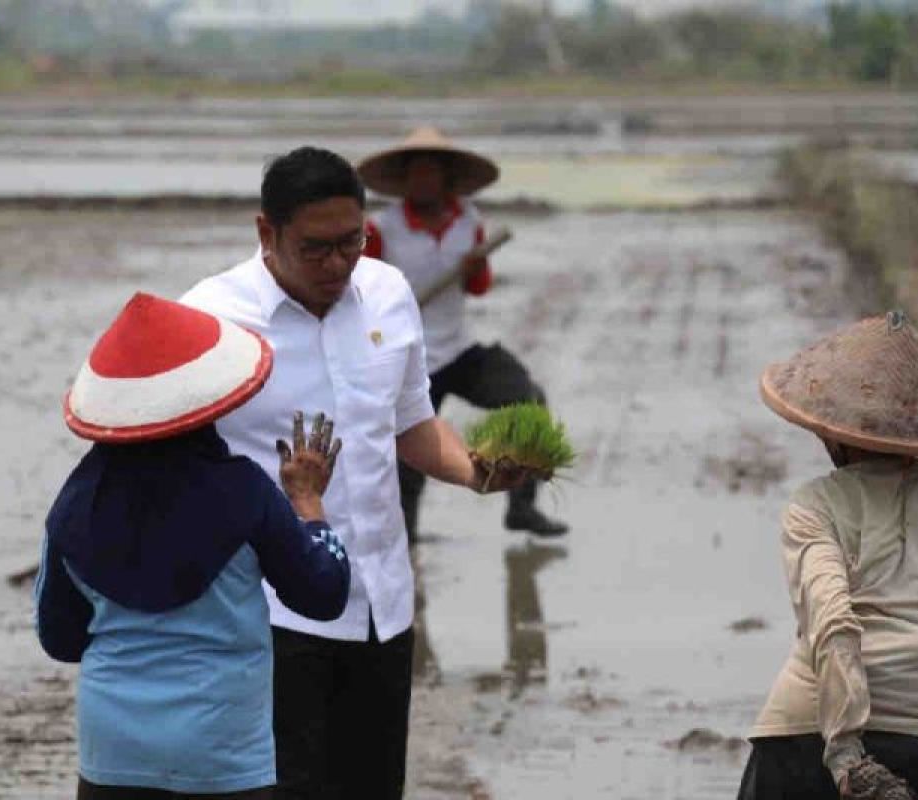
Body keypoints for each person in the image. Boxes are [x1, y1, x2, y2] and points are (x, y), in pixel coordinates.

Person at [181, 146, 531, 800]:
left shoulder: (387, 293)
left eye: (352, 242)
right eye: (316, 249)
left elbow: (412, 423)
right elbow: (171, 467)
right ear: (267, 232)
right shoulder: (212, 320)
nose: (339, 264)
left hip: (382, 606)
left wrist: (474, 471)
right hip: (270, 618)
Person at [35, 291, 351, 799]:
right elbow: (324, 593)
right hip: (222, 754)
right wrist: (309, 504)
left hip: (113, 756)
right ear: (205, 407)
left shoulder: (72, 507)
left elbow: (59, 639)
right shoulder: (245, 492)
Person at [738, 310, 918, 800]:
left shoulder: (815, 503)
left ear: (833, 435)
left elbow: (833, 622)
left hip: (804, 736)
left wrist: (848, 758)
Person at [357, 126, 569, 540]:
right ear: (403, 181)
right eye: (415, 173)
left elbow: (477, 287)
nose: (423, 181)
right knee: (408, 459)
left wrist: (475, 268)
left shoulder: (467, 221)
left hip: (458, 348)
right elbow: (363, 292)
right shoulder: (383, 229)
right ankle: (406, 543)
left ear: (446, 179)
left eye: (430, 173)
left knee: (528, 400)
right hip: (408, 356)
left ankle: (521, 508)